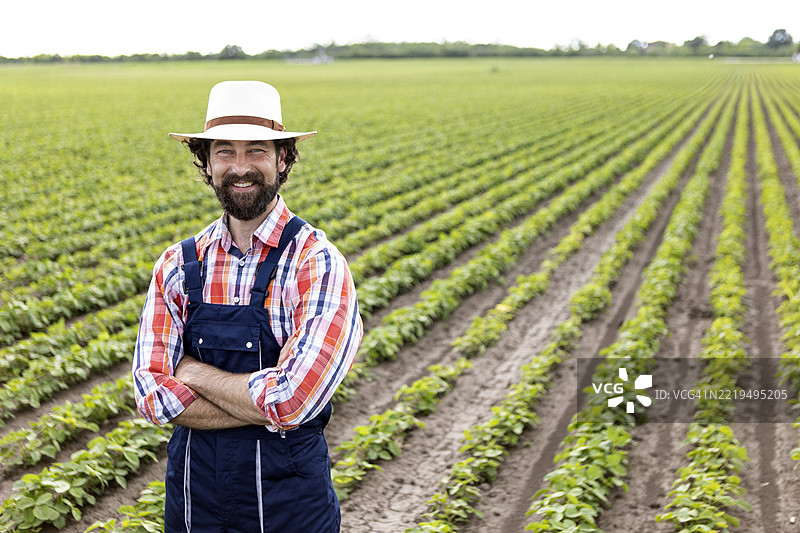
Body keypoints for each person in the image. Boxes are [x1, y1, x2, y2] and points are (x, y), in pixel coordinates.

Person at [132, 80, 363, 533]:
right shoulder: (178, 265)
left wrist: (194, 373)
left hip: (290, 505)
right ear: (206, 163)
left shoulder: (315, 262)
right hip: (193, 499)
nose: (241, 168)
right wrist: (261, 403)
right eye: (224, 152)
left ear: (283, 159)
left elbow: (294, 400)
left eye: (256, 150)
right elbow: (154, 396)